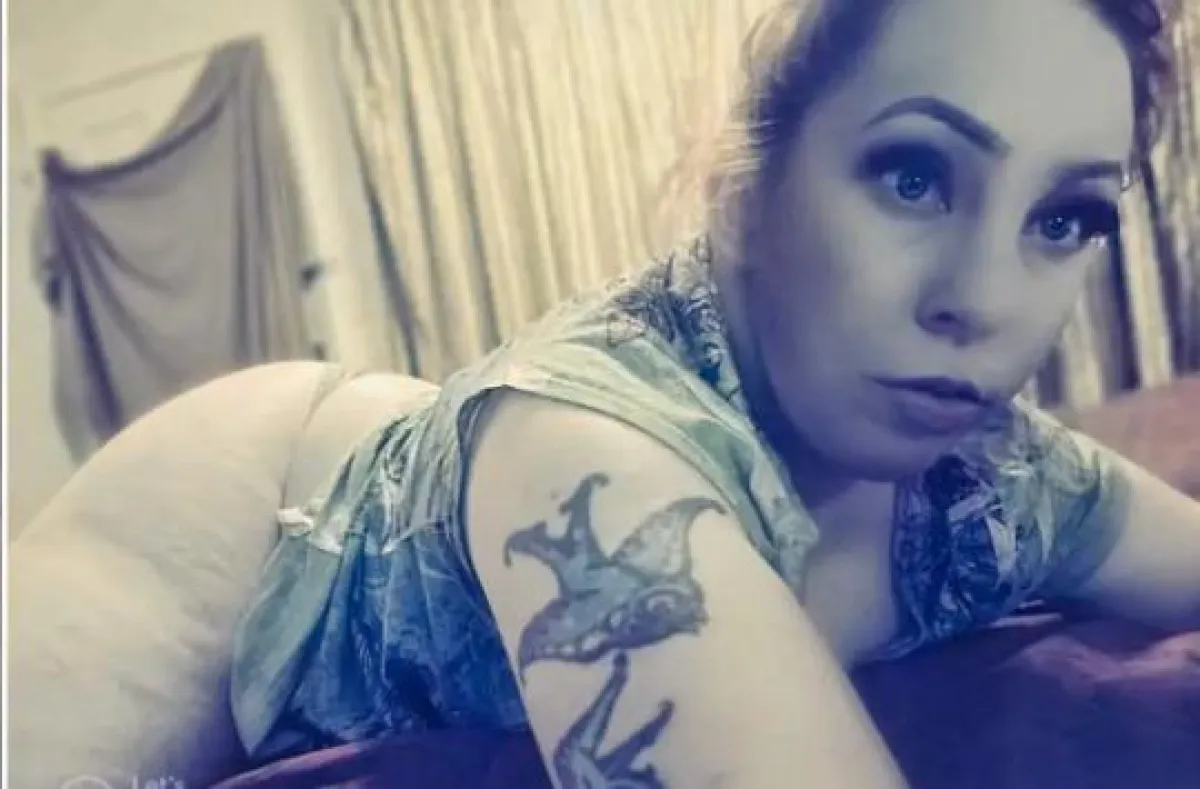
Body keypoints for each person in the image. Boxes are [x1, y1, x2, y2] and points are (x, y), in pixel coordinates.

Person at [231, 0, 1200, 786]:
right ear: (744, 190)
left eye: (1064, 218)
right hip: (246, 483)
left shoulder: (1001, 478)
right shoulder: (586, 455)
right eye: (913, 176)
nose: (984, 300)